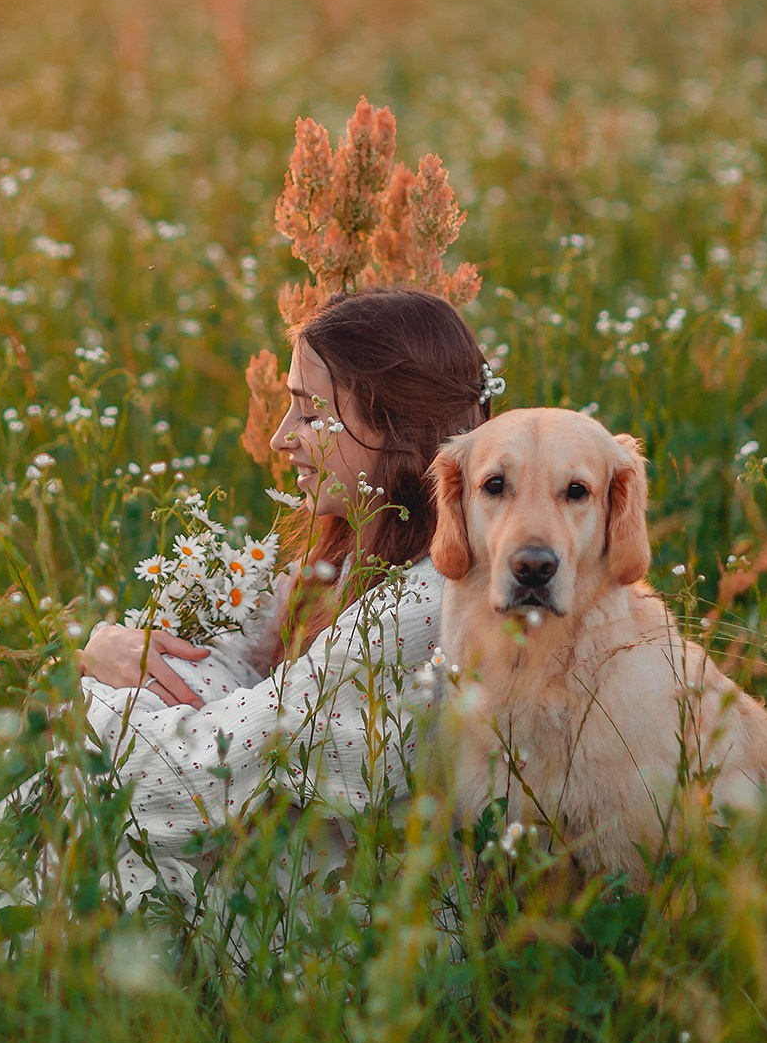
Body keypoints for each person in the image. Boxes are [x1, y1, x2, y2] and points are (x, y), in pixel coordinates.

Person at [64, 287, 497, 907]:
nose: (279, 439)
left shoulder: (423, 605)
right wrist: (118, 654)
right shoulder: (344, 555)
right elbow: (225, 666)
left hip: (346, 930)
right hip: (289, 872)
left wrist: (89, 708)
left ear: (396, 426)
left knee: (99, 843)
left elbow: (190, 780)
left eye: (311, 414)